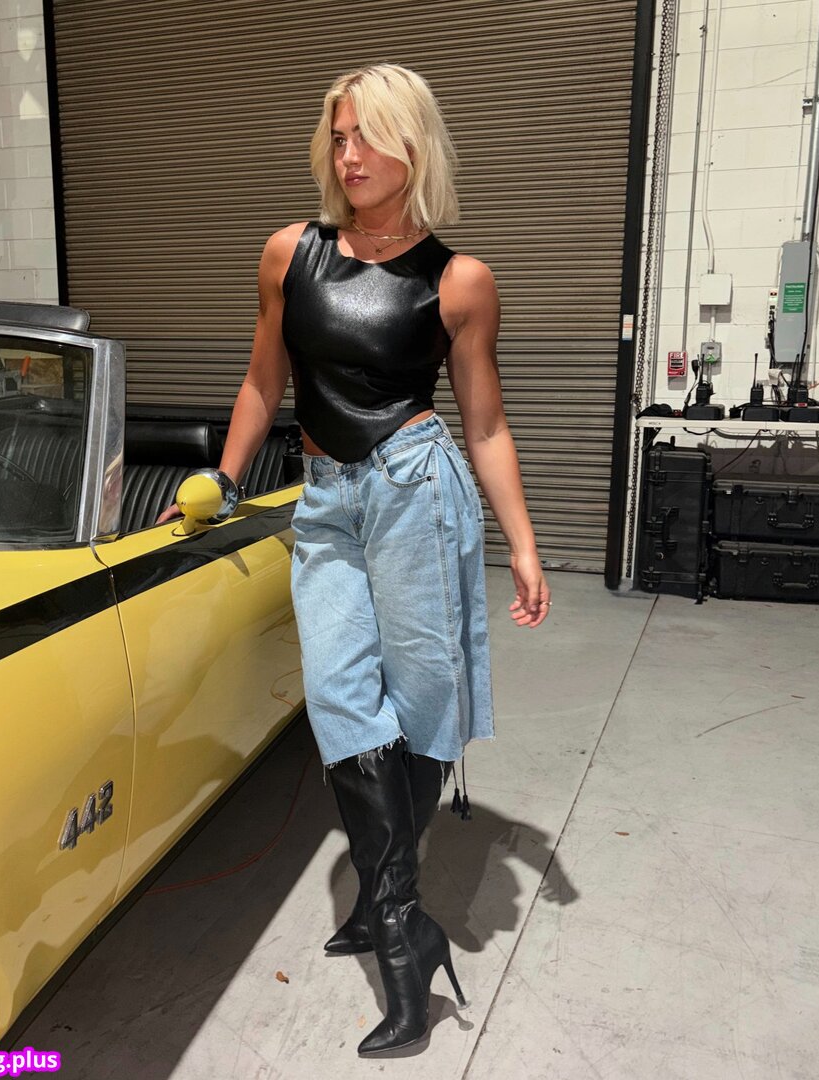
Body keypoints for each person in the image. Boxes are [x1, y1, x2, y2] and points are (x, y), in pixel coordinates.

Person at [158, 63, 550, 1055]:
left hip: (419, 492)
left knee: (420, 704)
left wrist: (524, 542)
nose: (348, 154)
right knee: (341, 701)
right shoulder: (290, 253)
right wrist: (225, 479)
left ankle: (385, 904)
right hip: (326, 500)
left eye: (367, 135)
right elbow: (262, 381)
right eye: (337, 137)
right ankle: (405, 928)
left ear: (413, 143)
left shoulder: (459, 281)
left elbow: (487, 424)